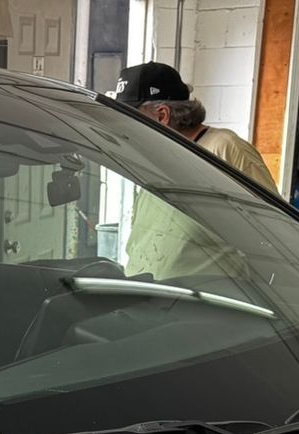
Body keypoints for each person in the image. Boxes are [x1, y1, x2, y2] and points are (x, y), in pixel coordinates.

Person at [112, 61, 270, 283]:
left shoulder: (225, 149)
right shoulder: (155, 159)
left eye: (128, 120)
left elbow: (271, 236)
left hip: (201, 307)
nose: (122, 131)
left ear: (162, 116)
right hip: (146, 301)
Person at [113, 61, 277, 190]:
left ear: (162, 116)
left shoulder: (226, 149)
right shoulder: (163, 154)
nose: (128, 128)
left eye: (132, 118)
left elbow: (273, 219)